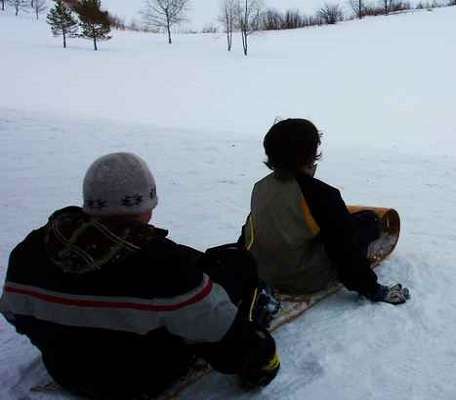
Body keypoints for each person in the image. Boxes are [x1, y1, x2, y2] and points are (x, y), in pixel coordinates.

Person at [0, 153, 279, 399]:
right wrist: (263, 355)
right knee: (235, 266)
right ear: (144, 205)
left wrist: (60, 339)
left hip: (64, 370)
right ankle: (256, 304)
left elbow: (15, 314)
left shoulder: (31, 249)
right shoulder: (163, 265)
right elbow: (220, 331)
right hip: (136, 379)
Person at [239, 119, 410, 305]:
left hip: (263, 271)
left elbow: (252, 231)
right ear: (311, 154)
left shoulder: (260, 187)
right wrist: (372, 289)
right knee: (368, 222)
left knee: (339, 222)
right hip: (303, 279)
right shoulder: (321, 194)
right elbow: (344, 248)